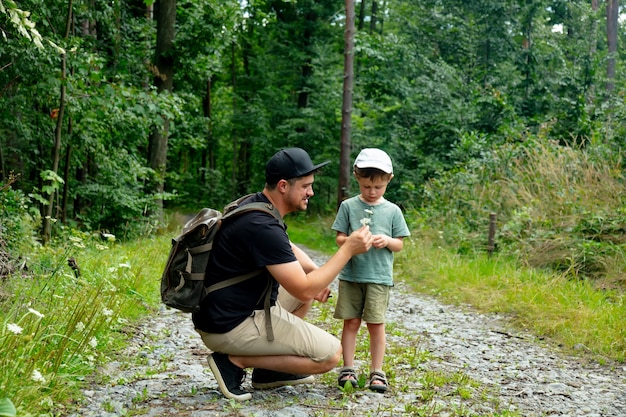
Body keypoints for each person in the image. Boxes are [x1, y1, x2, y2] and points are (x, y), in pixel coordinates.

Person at [192, 147, 374, 401]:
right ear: (283, 186)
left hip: (223, 311)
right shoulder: (261, 226)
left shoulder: (256, 205)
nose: (311, 192)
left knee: (305, 293)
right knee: (330, 355)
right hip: (229, 325)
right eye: (306, 186)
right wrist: (348, 250)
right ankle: (234, 360)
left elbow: (286, 247)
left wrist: (312, 270)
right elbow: (304, 287)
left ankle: (268, 371)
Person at [332, 148, 410, 393]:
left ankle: (377, 371)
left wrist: (385, 240)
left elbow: (399, 244)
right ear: (357, 177)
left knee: (376, 324)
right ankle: (348, 368)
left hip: (378, 277)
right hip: (351, 275)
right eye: (367, 187)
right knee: (351, 321)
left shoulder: (393, 211)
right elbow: (339, 239)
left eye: (378, 187)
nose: (372, 192)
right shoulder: (348, 206)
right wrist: (353, 242)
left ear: (389, 180)